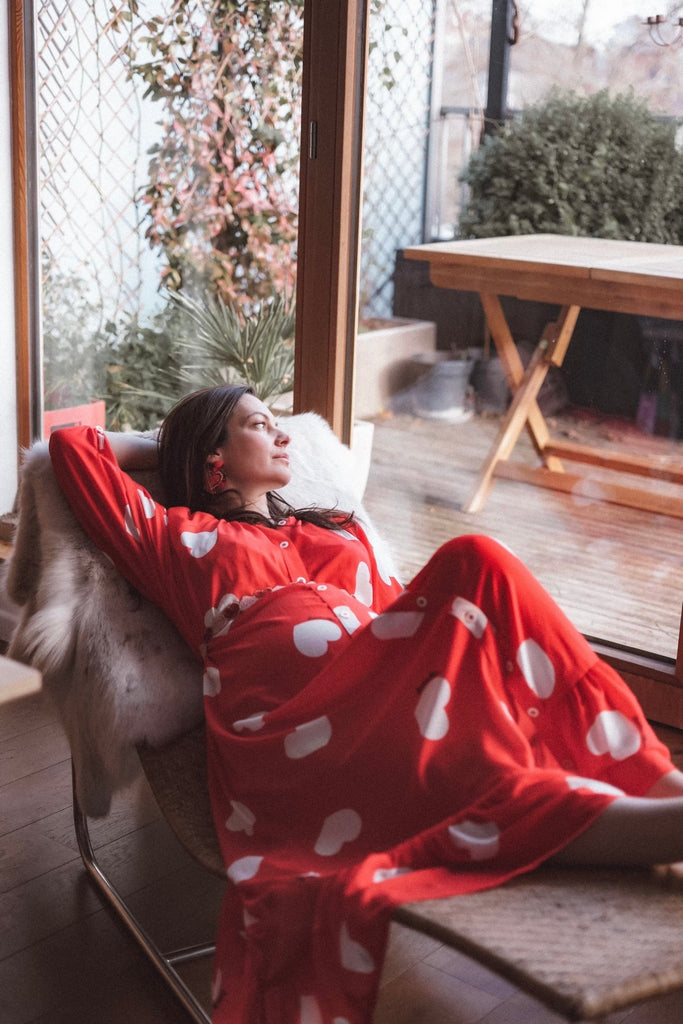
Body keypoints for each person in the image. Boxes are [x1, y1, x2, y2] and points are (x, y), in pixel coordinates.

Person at [49, 384, 683, 1024]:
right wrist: (170, 446)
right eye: (261, 425)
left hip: (380, 695)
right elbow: (72, 447)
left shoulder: (333, 528)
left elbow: (400, 618)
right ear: (214, 459)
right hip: (290, 733)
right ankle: (656, 821)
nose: (285, 435)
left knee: (480, 559)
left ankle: (651, 781)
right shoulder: (176, 539)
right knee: (480, 733)